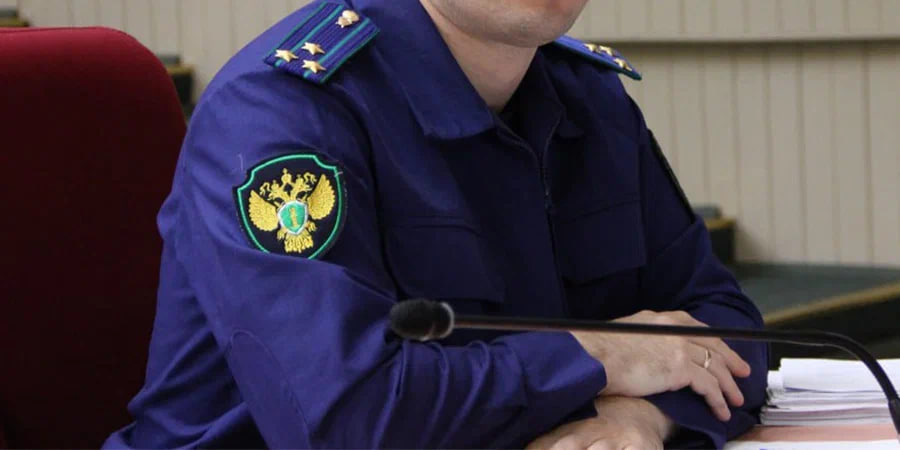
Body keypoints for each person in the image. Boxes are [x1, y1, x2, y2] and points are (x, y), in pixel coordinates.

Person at [104, 0, 767, 448]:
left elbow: (725, 322)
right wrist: (601, 356)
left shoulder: (588, 96)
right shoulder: (283, 113)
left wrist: (638, 415)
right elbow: (345, 420)